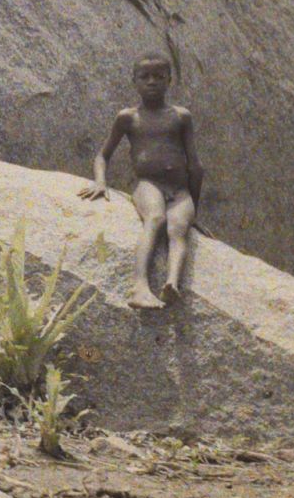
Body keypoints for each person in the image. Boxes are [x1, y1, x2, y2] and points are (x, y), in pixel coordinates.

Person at [79, 53, 202, 309]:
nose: (152, 82)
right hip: (150, 185)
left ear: (169, 80)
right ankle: (140, 286)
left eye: (159, 76)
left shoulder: (181, 116)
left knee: (179, 228)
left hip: (179, 190)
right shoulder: (128, 117)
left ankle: (172, 283)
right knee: (155, 219)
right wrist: (100, 182)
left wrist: (194, 206)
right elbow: (103, 155)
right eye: (144, 77)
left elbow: (195, 165)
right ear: (134, 81)